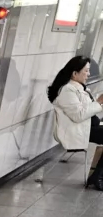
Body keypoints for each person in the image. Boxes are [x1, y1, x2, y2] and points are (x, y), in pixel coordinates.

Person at [48, 56, 103, 189]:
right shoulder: (67, 90)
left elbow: (87, 109)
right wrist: (99, 102)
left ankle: (98, 176)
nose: (88, 74)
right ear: (74, 73)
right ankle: (98, 177)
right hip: (77, 130)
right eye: (86, 71)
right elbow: (78, 115)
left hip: (88, 127)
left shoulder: (80, 88)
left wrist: (97, 102)